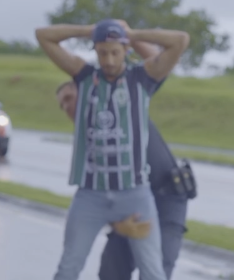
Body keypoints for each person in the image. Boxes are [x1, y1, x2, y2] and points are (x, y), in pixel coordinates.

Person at [36, 18, 189, 280]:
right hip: (91, 194)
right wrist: (89, 30)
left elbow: (180, 41)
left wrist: (131, 33)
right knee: (68, 267)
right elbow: (43, 35)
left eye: (115, 52)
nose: (108, 60)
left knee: (153, 271)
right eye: (102, 52)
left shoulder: (142, 79)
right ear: (95, 50)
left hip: (135, 193)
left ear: (126, 50)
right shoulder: (85, 78)